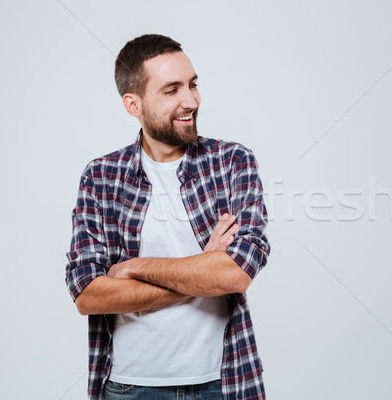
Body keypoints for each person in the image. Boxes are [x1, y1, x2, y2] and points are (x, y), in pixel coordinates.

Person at [65, 34, 270, 400]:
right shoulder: (101, 177)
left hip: (222, 383)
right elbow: (88, 295)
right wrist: (204, 267)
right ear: (134, 104)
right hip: (131, 388)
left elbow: (236, 274)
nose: (190, 100)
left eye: (192, 85)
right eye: (171, 90)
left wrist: (135, 267)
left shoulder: (232, 163)